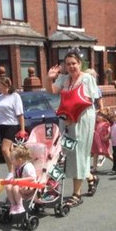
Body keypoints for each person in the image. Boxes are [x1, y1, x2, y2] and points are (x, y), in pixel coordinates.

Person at [47, 51, 100, 207]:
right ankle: (91, 177)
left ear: (79, 64)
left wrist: (73, 117)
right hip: (66, 121)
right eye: (68, 63)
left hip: (82, 120)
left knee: (79, 155)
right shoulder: (64, 79)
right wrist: (49, 78)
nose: (70, 66)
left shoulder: (87, 79)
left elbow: (88, 101)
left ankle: (76, 194)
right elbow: (51, 91)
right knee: (67, 153)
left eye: (73, 63)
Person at [0, 76, 25, 170]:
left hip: (11, 125)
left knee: (4, 149)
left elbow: (20, 114)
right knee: (10, 150)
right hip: (1, 125)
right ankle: (16, 170)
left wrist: (22, 129)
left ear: (5, 85)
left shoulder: (15, 96)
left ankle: (12, 171)